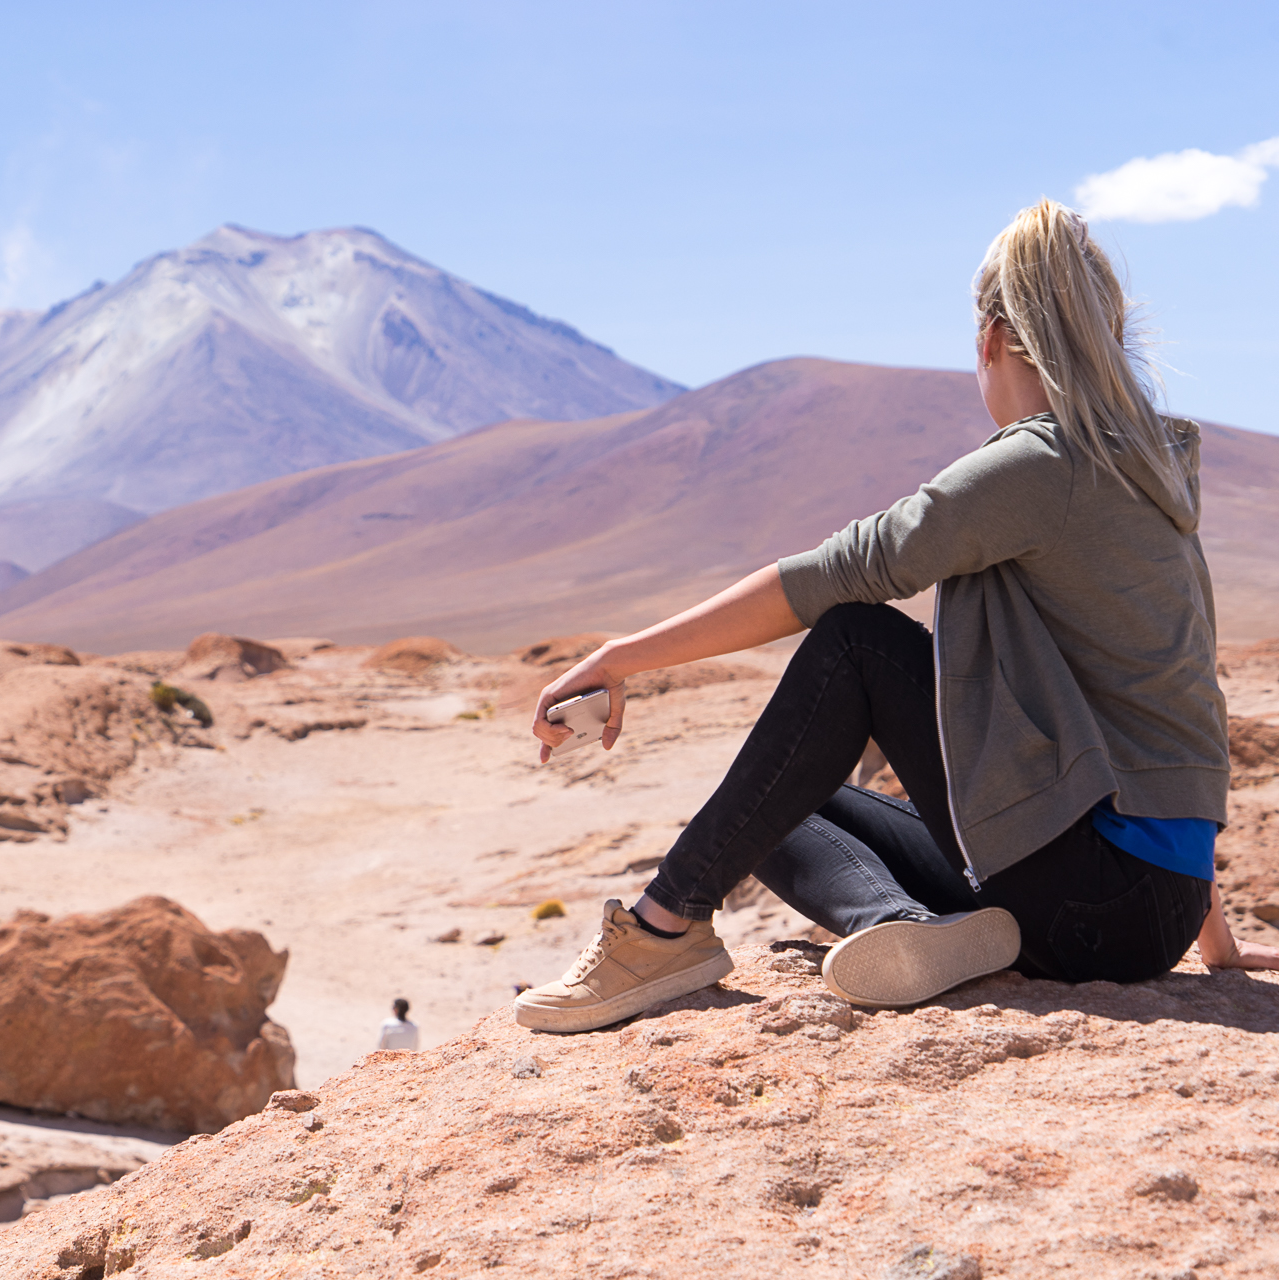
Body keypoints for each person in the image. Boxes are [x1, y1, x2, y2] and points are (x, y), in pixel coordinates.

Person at [514, 199, 1278, 1035]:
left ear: (991, 338)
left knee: (856, 640)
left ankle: (660, 931)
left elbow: (833, 573)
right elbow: (1170, 707)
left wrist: (622, 657)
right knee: (772, 801)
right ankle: (905, 928)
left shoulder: (1042, 463)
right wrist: (1211, 933)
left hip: (1084, 895)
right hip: (1143, 911)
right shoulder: (1153, 478)